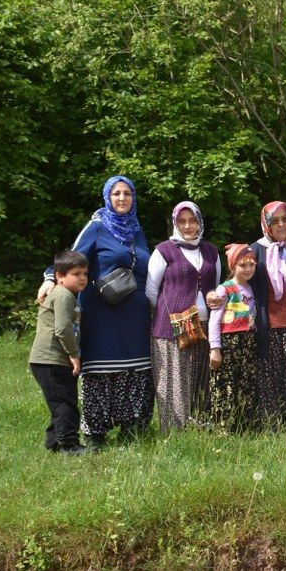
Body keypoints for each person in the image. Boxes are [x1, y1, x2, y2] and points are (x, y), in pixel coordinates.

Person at [38, 175, 153, 447]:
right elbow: (71, 257)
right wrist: (49, 278)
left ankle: (132, 427)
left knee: (136, 372)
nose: (122, 198)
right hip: (103, 314)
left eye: (127, 193)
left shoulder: (137, 229)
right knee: (100, 373)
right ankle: (97, 433)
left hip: (135, 318)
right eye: (116, 193)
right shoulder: (97, 226)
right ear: (107, 197)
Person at [146, 201, 220, 432]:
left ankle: (200, 429)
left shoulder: (211, 251)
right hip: (171, 329)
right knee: (176, 381)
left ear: (200, 222)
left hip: (205, 326)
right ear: (175, 223)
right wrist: (170, 316)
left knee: (202, 379)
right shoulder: (164, 251)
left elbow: (215, 286)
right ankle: (174, 433)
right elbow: (151, 290)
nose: (188, 226)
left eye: (192, 220)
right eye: (182, 221)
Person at [29, 250, 89, 455]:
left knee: (60, 401)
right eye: (76, 273)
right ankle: (69, 445)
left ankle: (54, 442)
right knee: (65, 403)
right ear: (60, 277)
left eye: (85, 273)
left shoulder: (64, 294)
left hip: (48, 359)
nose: (82, 278)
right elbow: (62, 328)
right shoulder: (64, 295)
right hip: (51, 359)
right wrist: (74, 354)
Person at [208, 244, 260, 433]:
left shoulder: (251, 289)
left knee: (245, 384)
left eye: (251, 265)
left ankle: (244, 426)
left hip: (247, 345)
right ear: (232, 267)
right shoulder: (225, 289)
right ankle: (224, 428)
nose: (248, 269)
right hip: (229, 346)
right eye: (242, 265)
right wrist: (215, 348)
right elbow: (214, 321)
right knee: (227, 384)